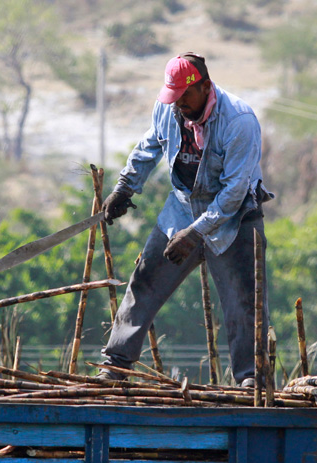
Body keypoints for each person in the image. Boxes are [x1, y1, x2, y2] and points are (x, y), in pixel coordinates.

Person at [98, 52, 271, 387]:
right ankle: (116, 364)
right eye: (173, 97)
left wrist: (196, 233)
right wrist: (125, 187)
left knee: (243, 300)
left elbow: (235, 191)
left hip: (234, 218)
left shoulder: (239, 121)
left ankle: (250, 377)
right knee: (145, 280)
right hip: (181, 208)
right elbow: (150, 145)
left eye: (185, 96)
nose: (178, 104)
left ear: (205, 86)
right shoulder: (168, 108)